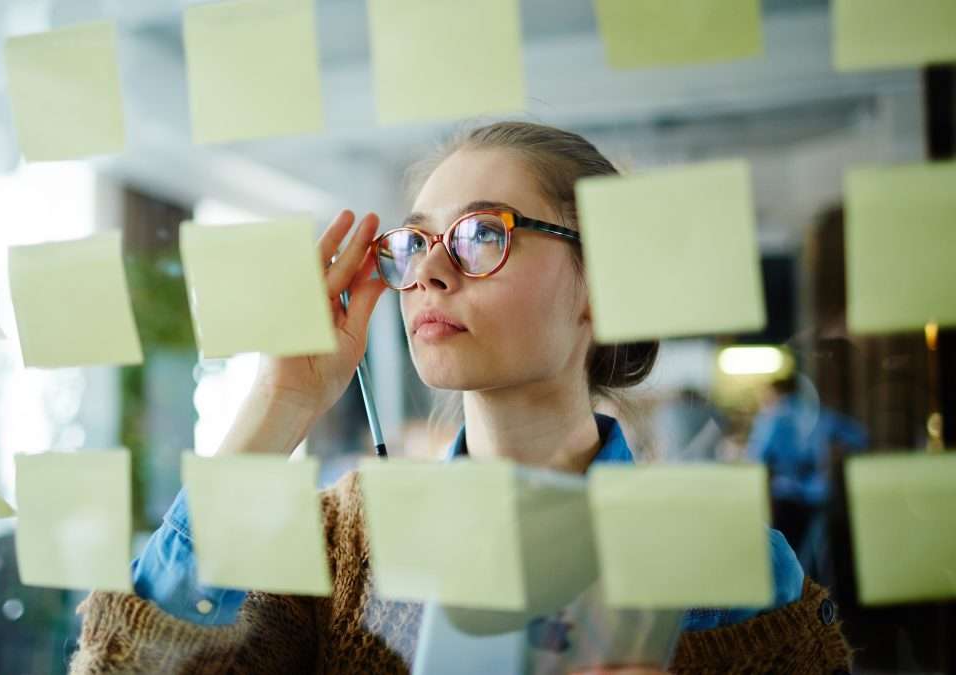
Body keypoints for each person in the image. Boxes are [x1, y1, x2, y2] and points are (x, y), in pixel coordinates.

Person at [70, 122, 853, 674]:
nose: (429, 273)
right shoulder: (337, 546)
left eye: (482, 233)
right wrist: (280, 401)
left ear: (599, 285)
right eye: (414, 244)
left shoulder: (724, 561)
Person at [748, 374, 869, 583]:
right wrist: (832, 451)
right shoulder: (820, 414)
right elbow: (859, 437)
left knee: (784, 555)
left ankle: (793, 602)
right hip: (818, 496)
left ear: (778, 393)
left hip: (786, 497)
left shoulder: (774, 418)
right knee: (813, 553)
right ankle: (815, 596)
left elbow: (755, 456)